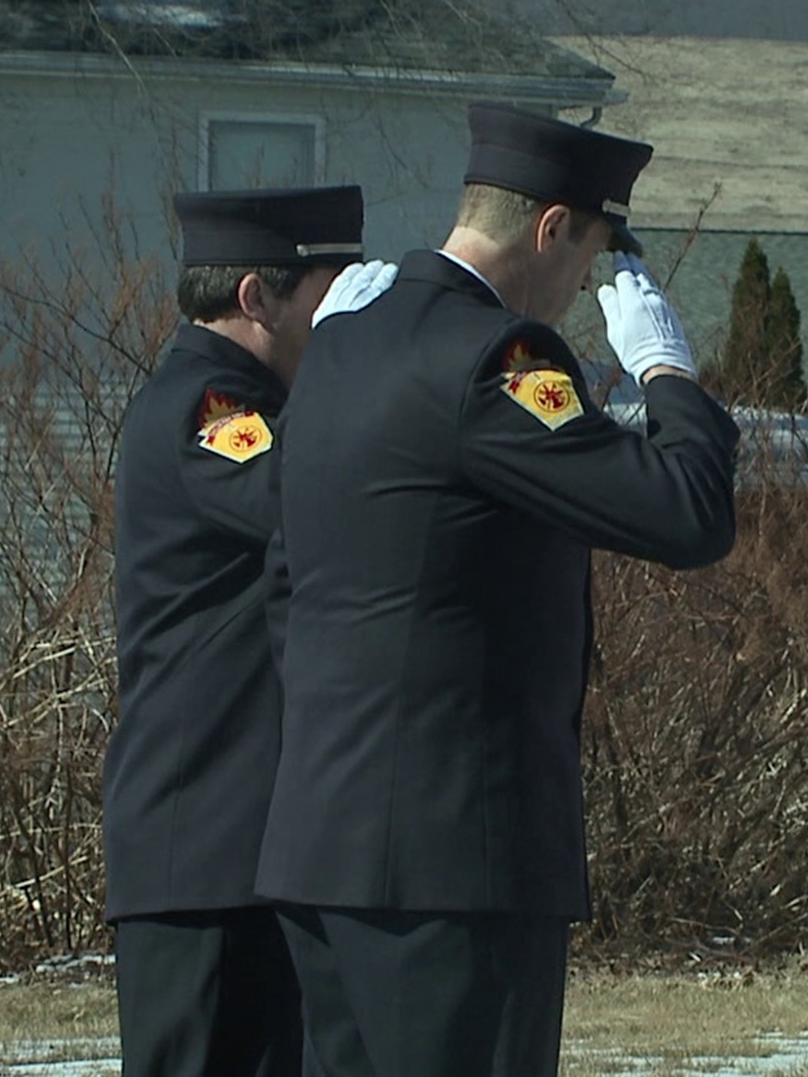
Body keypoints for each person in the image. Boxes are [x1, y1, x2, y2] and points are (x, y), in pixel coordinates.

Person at [255, 103, 740, 1076]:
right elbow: (687, 512)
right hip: (450, 865)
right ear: (552, 228)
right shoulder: (499, 359)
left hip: (322, 841)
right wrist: (665, 370)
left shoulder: (349, 339)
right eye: (592, 252)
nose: (582, 283)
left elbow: (285, 575)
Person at [104, 184, 386, 1077]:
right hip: (203, 851)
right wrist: (358, 364)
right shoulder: (210, 407)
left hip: (247, 847)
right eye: (326, 298)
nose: (338, 320)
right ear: (258, 299)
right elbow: (304, 499)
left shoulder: (249, 401)